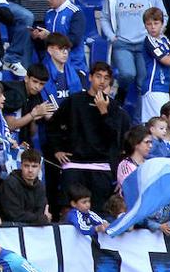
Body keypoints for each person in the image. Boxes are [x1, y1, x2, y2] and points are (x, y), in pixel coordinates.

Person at [45, 61, 131, 209]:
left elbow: (115, 139)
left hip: (101, 167)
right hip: (74, 164)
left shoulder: (115, 107)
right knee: (68, 209)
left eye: (106, 78)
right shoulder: (74, 101)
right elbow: (53, 125)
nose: (102, 81)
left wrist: (104, 112)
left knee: (98, 212)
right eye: (98, 76)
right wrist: (57, 149)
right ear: (90, 78)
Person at [100, 0, 165, 113]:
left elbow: (164, 15)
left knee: (143, 82)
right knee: (127, 74)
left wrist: (157, 33)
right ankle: (121, 91)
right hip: (122, 42)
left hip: (145, 44)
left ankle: (141, 118)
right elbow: (104, 18)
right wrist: (111, 36)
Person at [141, 7, 170, 123]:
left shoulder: (164, 39)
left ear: (162, 23)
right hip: (153, 87)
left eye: (156, 23)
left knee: (161, 124)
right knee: (157, 123)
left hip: (164, 87)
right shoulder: (149, 40)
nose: (152, 27)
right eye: (149, 24)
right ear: (145, 25)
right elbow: (168, 61)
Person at [0, 149, 51, 225]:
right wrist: (40, 218)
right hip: (11, 229)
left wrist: (40, 218)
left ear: (39, 168)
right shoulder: (10, 183)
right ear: (21, 166)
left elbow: (41, 211)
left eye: (34, 166)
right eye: (26, 166)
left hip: (34, 228)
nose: (30, 170)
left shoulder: (40, 186)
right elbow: (14, 214)